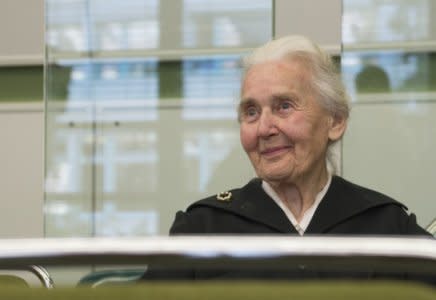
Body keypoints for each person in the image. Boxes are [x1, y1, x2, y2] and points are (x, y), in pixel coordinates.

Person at [141, 35, 431, 281]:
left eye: (284, 106)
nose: (264, 129)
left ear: (335, 122)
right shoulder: (202, 230)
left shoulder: (388, 228)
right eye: (251, 112)